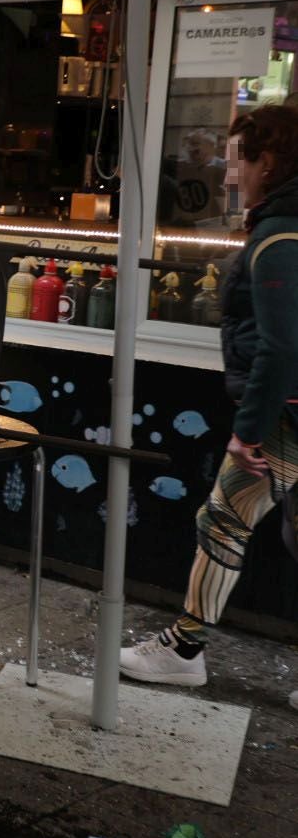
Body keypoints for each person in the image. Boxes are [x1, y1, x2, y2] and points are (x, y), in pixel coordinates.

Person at [121, 105, 298, 707]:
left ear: (266, 163)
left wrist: (248, 430)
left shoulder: (279, 237)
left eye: (237, 158)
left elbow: (280, 346)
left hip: (285, 415)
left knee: (222, 519)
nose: (228, 171)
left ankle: (183, 650)